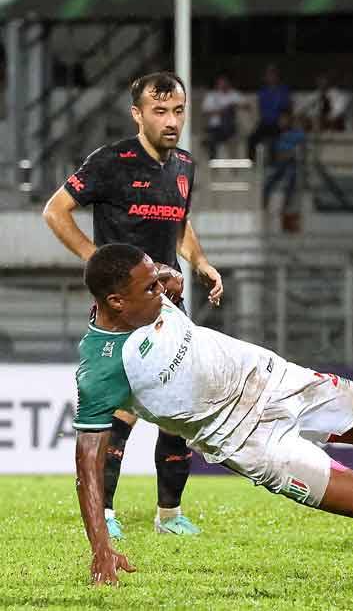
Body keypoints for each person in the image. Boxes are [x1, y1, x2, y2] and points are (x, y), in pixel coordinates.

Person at [74, 244, 353, 586]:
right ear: (116, 301)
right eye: (150, 288)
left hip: (271, 377)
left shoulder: (149, 291)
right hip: (245, 439)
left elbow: (167, 278)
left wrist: (169, 275)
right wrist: (100, 547)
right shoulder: (102, 370)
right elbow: (88, 465)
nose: (161, 291)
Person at [42, 71, 224, 539]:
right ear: (137, 114)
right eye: (160, 111)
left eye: (178, 111)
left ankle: (170, 515)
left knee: (179, 413)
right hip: (124, 308)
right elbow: (55, 211)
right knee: (119, 412)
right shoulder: (111, 162)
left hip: (169, 308)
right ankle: (103, 512)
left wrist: (201, 262)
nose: (171, 121)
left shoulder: (184, 165)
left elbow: (179, 223)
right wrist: (99, 262)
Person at [262, 110, 306, 222]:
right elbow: (274, 151)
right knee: (268, 182)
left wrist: (290, 154)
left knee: (291, 179)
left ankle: (285, 207)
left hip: (291, 163)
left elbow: (300, 149)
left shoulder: (297, 134)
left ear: (290, 121)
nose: (282, 122)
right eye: (280, 120)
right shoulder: (275, 133)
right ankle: (264, 206)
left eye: (284, 120)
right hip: (278, 163)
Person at [247, 64, 291, 162]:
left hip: (278, 123)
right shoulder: (263, 91)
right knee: (251, 139)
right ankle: (252, 163)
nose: (271, 77)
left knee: (273, 141)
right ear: (266, 77)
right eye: (269, 75)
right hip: (265, 123)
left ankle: (273, 165)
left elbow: (286, 107)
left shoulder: (283, 90)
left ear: (277, 76)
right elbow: (260, 108)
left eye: (273, 75)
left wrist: (284, 118)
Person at [201, 74, 245, 159]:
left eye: (225, 82)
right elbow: (205, 112)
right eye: (220, 82)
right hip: (215, 126)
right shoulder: (211, 95)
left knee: (228, 113)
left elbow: (246, 105)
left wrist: (233, 106)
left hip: (230, 125)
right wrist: (220, 111)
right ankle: (212, 160)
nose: (223, 84)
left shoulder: (234, 94)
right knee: (213, 137)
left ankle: (211, 141)